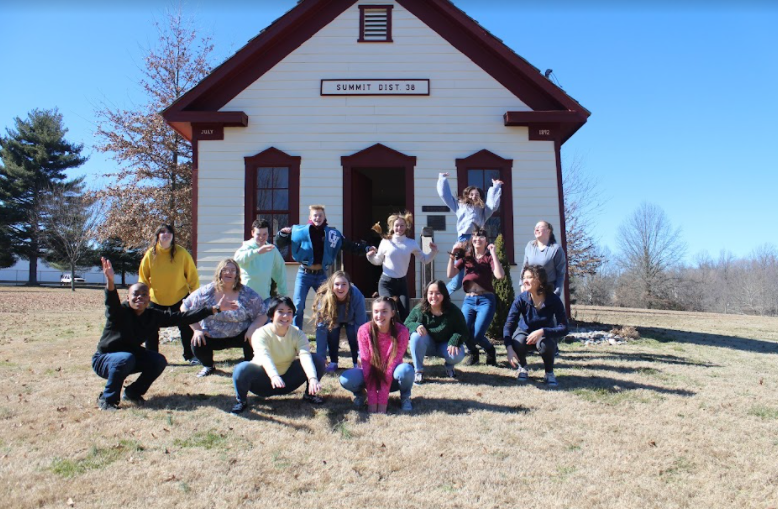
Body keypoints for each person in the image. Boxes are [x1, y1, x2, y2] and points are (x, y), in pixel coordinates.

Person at [92, 258, 236, 411]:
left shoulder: (152, 315)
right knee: (125, 358)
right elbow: (111, 302)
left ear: (149, 299)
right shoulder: (119, 312)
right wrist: (110, 280)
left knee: (158, 360)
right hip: (105, 359)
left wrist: (214, 309)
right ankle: (107, 400)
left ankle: (133, 392)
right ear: (128, 298)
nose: (139, 297)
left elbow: (182, 317)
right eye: (135, 294)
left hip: (129, 358)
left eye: (143, 294)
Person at [275, 204, 371, 329]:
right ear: (310, 217)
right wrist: (282, 234)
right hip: (304, 273)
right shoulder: (299, 231)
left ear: (324, 217)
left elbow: (348, 245)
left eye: (320, 215)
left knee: (326, 303)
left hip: (320, 274)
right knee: (298, 304)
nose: (317, 218)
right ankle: (295, 332)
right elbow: (280, 243)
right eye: (315, 215)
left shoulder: (332, 234)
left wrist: (366, 248)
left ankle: (325, 330)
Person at [230, 296, 326, 414]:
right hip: (263, 381)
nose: (285, 316)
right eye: (280, 312)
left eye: (289, 312)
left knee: (317, 360)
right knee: (241, 369)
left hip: (287, 380)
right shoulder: (260, 333)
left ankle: (309, 395)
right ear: (271, 315)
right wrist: (274, 376)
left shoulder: (298, 333)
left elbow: (305, 355)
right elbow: (264, 356)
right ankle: (241, 401)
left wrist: (312, 378)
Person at [182, 259, 267, 378]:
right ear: (219, 273)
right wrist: (197, 329)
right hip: (211, 335)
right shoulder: (207, 291)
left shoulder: (247, 293)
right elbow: (185, 307)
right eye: (225, 270)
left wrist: (252, 328)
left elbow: (263, 313)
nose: (229, 272)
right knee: (197, 342)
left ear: (237, 274)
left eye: (233, 270)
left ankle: (250, 366)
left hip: (241, 335)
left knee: (256, 334)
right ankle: (208, 366)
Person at [139, 224, 200, 364]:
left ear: (173, 236)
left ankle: (190, 355)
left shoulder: (182, 253)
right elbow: (143, 277)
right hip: (156, 298)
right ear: (158, 235)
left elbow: (192, 276)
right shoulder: (150, 254)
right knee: (151, 328)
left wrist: (194, 295)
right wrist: (143, 296)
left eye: (169, 232)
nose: (166, 234)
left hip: (179, 296)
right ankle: (152, 357)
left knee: (186, 327)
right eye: (162, 232)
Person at [339, 297, 413, 413]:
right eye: (376, 311)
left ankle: (405, 397)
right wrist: (373, 402)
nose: (379, 315)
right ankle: (361, 395)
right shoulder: (364, 330)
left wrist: (382, 403)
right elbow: (366, 365)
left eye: (384, 311)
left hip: (392, 377)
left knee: (406, 370)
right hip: (370, 375)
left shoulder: (402, 331)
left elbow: (391, 366)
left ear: (392, 313)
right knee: (346, 379)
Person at [447, 227, 505, 366]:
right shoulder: (467, 257)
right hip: (469, 300)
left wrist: (494, 253)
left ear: (486, 241)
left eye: (481, 237)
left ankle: (490, 350)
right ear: (472, 240)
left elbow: (500, 275)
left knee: (478, 334)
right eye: (475, 237)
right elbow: (450, 274)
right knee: (463, 330)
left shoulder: (489, 257)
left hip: (486, 300)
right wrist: (452, 255)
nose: (478, 239)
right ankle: (473, 353)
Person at [502, 265, 569, 387]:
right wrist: (509, 348)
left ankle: (549, 373)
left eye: (529, 277)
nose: (524, 281)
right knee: (518, 340)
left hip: (545, 335)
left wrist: (543, 331)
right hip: (525, 333)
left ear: (540, 280)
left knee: (545, 344)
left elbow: (564, 328)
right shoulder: (521, 299)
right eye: (524, 277)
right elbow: (509, 325)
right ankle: (522, 367)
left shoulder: (553, 300)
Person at [437, 172, 502, 294]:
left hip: (476, 242)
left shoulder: (483, 210)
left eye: (477, 194)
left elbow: (492, 205)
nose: (474, 196)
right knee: (457, 281)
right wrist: (442, 179)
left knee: (477, 274)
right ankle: (441, 295)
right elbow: (445, 196)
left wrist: (495, 187)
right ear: (467, 195)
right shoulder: (459, 206)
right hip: (463, 242)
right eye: (471, 194)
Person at [366, 211, 438, 321]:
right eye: (397, 225)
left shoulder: (411, 243)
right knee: (388, 309)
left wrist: (433, 251)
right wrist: (370, 256)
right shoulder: (386, 242)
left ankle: (404, 336)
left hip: (401, 283)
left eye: (402, 225)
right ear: (392, 227)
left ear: (406, 227)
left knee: (405, 314)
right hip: (386, 282)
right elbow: (378, 261)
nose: (399, 228)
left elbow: (425, 259)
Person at [404, 280, 469, 384]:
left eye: (438, 293)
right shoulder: (420, 309)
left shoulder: (453, 310)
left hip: (445, 345)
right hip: (427, 344)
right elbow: (407, 323)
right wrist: (416, 326)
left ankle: (449, 366)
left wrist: (455, 340)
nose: (434, 296)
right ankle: (418, 371)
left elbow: (464, 331)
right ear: (426, 294)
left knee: (458, 354)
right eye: (431, 293)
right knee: (415, 336)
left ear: (444, 294)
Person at [311, 271, 366, 372]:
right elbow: (321, 329)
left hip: (352, 319)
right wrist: (321, 358)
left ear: (349, 285)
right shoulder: (324, 298)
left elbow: (361, 327)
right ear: (331, 286)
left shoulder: (357, 296)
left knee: (352, 332)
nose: (340, 288)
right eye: (337, 284)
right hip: (334, 319)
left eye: (344, 284)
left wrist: (361, 355)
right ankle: (333, 362)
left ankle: (356, 362)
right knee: (331, 330)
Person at [234, 218, 288, 304]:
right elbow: (237, 258)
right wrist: (257, 252)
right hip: (246, 298)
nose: (261, 237)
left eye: (264, 234)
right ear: (252, 233)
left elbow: (280, 272)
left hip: (264, 298)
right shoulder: (246, 247)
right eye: (258, 234)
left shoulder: (272, 250)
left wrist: (283, 295)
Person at [523, 221, 567, 297]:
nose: (536, 229)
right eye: (535, 228)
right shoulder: (530, 246)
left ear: (548, 230)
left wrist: (557, 292)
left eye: (539, 227)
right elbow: (524, 267)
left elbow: (561, 273)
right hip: (531, 291)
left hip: (548, 291)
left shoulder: (556, 249)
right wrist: (522, 285)